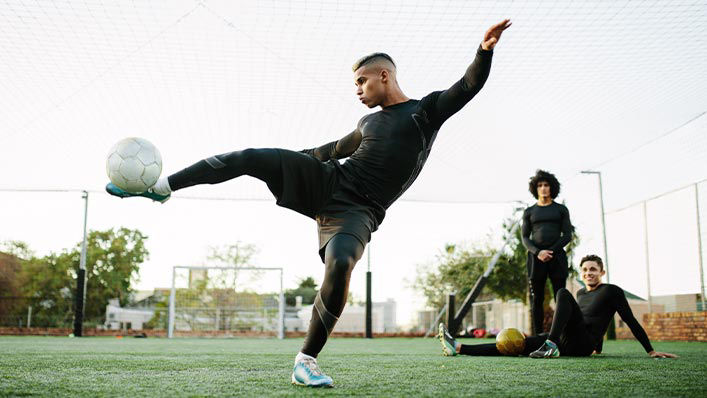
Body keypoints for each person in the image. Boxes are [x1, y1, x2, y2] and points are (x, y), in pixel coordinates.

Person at [105, 20, 512, 387]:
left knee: (340, 264)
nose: (357, 90)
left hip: (359, 211)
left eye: (361, 81)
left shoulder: (424, 112)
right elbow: (331, 149)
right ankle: (163, 186)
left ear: (383, 75)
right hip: (330, 180)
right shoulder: (368, 123)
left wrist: (484, 51)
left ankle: (306, 360)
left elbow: (467, 86)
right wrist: (288, 161)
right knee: (251, 156)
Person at [439, 254, 677, 359]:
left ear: (602, 272)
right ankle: (458, 347)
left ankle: (549, 345)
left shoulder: (612, 291)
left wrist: (650, 350)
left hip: (579, 344)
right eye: (585, 270)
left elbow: (629, 320)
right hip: (566, 339)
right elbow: (589, 317)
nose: (588, 273)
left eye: (593, 269)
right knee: (516, 344)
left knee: (562, 291)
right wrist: (600, 349)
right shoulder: (582, 293)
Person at [522, 169, 573, 334]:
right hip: (536, 259)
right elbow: (525, 237)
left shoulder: (561, 209)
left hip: (557, 257)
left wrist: (550, 251)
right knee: (537, 299)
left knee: (561, 297)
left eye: (546, 185)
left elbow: (567, 235)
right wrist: (538, 252)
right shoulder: (529, 212)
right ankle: (537, 336)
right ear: (535, 189)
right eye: (540, 185)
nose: (543, 188)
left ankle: (562, 334)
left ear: (552, 188)